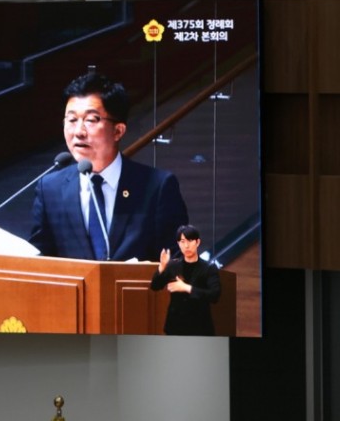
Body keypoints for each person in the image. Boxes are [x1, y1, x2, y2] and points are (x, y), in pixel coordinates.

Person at [29, 70, 188, 263]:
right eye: (71, 120)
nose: (78, 131)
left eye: (91, 120)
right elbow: (38, 264)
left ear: (118, 131)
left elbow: (179, 262)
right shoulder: (50, 189)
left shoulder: (157, 187)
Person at [149, 224, 221, 335]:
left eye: (190, 241)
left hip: (200, 326)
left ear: (197, 242)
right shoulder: (173, 265)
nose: (186, 246)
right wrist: (162, 267)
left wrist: (187, 288)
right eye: (182, 242)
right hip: (175, 326)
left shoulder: (208, 268)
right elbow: (155, 286)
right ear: (178, 244)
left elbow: (214, 295)